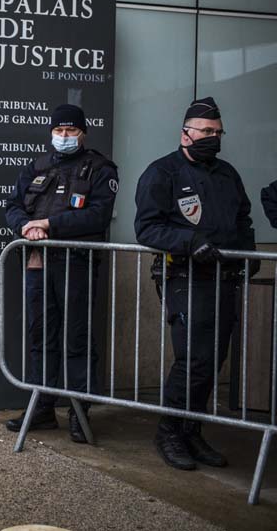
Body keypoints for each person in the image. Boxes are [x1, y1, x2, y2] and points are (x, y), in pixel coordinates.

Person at [135, 96, 257, 471]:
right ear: (185, 133)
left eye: (218, 132)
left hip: (224, 279)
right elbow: (147, 228)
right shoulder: (163, 172)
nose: (213, 138)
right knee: (194, 359)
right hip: (185, 278)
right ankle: (170, 431)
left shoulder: (226, 173)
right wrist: (191, 242)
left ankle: (192, 430)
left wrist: (247, 254)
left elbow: (243, 218)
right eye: (206, 131)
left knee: (214, 359)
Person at [3, 104, 118, 443]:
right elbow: (12, 206)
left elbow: (98, 216)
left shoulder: (100, 168)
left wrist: (49, 225)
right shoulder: (37, 166)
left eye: (71, 131)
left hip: (76, 263)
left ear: (83, 133)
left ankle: (79, 413)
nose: (64, 137)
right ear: (51, 132)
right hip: (38, 262)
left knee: (77, 338)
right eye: (59, 131)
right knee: (41, 336)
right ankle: (41, 409)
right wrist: (26, 226)